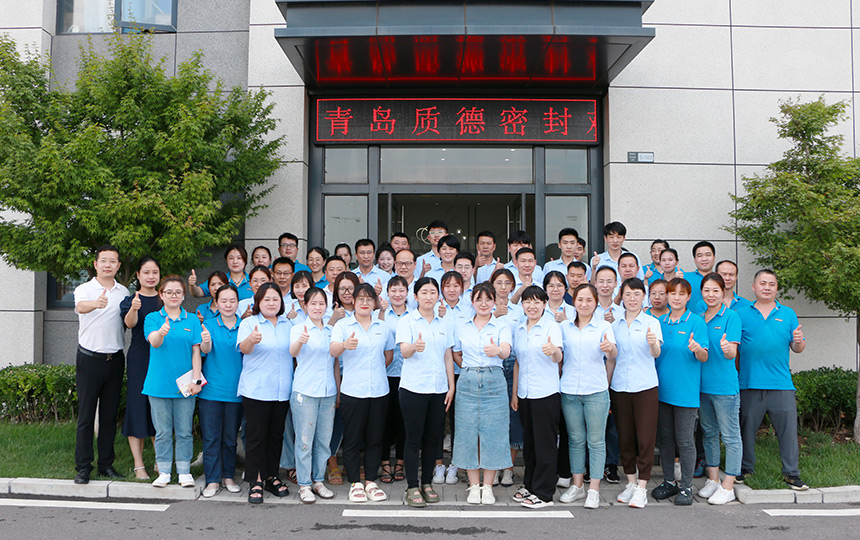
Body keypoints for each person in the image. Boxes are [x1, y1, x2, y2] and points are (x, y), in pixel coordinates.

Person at [737, 269, 808, 490]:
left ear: (777, 288)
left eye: (772, 284)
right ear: (754, 287)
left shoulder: (787, 314)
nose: (767, 287)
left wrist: (798, 341)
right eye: (763, 283)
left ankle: (791, 473)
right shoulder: (741, 313)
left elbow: (798, 348)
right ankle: (745, 468)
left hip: (781, 384)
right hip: (749, 383)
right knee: (746, 431)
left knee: (788, 433)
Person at [330, 284, 394, 502]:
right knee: (353, 439)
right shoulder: (343, 325)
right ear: (354, 301)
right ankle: (355, 483)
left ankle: (370, 482)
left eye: (369, 299)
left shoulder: (382, 327)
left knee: (375, 439)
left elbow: (388, 356)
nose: (365, 303)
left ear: (375, 303)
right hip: (352, 390)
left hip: (378, 390)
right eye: (360, 299)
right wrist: (345, 345)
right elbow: (333, 351)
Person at [396, 277, 457, 507]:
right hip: (413, 389)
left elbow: (448, 356)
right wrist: (414, 346)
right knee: (413, 439)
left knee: (433, 439)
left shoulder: (443, 323)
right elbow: (404, 352)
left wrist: (451, 386)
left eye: (433, 292)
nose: (429, 296)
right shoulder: (408, 321)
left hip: (439, 390)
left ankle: (427, 483)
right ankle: (412, 487)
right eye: (424, 292)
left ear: (437, 296)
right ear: (416, 297)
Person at [452, 282, 513, 505]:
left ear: (495, 302)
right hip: (468, 380)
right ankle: (473, 485)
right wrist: (468, 368)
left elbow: (506, 350)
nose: (484, 304)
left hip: (494, 380)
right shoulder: (463, 326)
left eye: (488, 299)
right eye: (479, 299)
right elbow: (456, 353)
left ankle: (488, 486)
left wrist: (497, 351)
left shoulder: (501, 326)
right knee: (467, 432)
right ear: (472, 302)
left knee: (493, 433)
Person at [73, 245, 130, 484]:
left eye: (113, 261)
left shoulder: (124, 291)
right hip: (89, 359)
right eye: (103, 261)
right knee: (86, 416)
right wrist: (95, 304)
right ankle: (83, 466)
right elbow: (79, 307)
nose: (108, 265)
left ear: (118, 266)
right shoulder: (84, 289)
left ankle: (106, 465)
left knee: (108, 416)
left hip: (115, 359)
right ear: (96, 264)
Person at [558, 284, 616, 509]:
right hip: (570, 390)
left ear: (595, 303)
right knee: (575, 439)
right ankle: (578, 485)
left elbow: (613, 354)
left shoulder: (603, 326)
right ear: (574, 301)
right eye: (580, 299)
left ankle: (594, 489)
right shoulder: (564, 327)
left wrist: (609, 347)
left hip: (596, 390)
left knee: (596, 440)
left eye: (589, 300)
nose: (584, 304)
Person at [652, 278, 708, 506]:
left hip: (685, 392)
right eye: (671, 293)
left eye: (681, 294)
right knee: (665, 440)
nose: (676, 297)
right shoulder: (660, 322)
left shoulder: (696, 322)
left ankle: (686, 486)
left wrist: (697, 350)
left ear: (688, 297)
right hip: (662, 391)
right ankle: (669, 481)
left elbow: (704, 355)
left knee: (685, 440)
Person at [237, 282, 294, 503]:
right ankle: (256, 480)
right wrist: (251, 339)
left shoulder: (288, 325)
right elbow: (244, 348)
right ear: (258, 302)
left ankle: (271, 476)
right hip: (257, 390)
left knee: (275, 436)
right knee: (256, 437)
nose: (271, 303)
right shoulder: (250, 323)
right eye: (266, 299)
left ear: (281, 302)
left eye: (275, 299)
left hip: (282, 390)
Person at [143, 275, 203, 488]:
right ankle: (165, 471)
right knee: (163, 432)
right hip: (158, 384)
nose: (174, 296)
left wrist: (197, 380)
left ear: (183, 295)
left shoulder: (192, 320)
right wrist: (161, 332)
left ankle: (184, 471)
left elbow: (197, 351)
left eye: (178, 292)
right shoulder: (153, 318)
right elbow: (154, 342)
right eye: (169, 292)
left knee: (185, 430)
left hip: (185, 385)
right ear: (161, 295)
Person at [611, 277, 662, 508]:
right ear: (622, 296)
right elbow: (611, 357)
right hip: (620, 387)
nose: (632, 299)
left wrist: (653, 343)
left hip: (645, 388)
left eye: (637, 294)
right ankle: (630, 482)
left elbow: (656, 353)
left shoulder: (652, 323)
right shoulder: (614, 324)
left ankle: (642, 486)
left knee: (645, 438)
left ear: (645, 296)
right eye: (628, 294)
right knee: (625, 438)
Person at [511, 286, 563, 509]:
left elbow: (559, 358)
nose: (532, 306)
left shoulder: (552, 327)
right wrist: (514, 393)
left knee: (545, 444)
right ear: (522, 305)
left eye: (537, 302)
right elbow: (518, 362)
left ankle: (544, 493)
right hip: (525, 393)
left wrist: (553, 351)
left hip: (546, 393)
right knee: (530, 444)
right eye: (527, 302)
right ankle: (530, 485)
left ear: (544, 304)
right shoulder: (520, 329)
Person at [696, 273, 743, 505]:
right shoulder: (698, 316)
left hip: (725, 388)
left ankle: (728, 485)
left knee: (731, 436)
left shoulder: (731, 317)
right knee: (709, 433)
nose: (711, 295)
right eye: (707, 290)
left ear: (723, 291)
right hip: (702, 387)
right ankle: (713, 479)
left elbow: (732, 353)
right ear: (702, 292)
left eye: (715, 290)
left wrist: (726, 348)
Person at [290, 287, 338, 503]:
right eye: (313, 303)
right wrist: (301, 340)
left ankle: (319, 481)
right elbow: (293, 352)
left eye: (321, 304)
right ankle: (304, 484)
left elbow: (335, 361)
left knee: (323, 441)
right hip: (305, 392)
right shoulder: (298, 328)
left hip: (328, 392)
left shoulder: (331, 331)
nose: (318, 307)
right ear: (305, 306)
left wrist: (337, 391)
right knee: (304, 440)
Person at [197, 284, 243, 497]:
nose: (228, 305)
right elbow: (204, 351)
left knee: (230, 438)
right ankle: (212, 480)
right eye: (223, 301)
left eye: (232, 301)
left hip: (237, 392)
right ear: (216, 301)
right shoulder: (208, 325)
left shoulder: (245, 325)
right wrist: (206, 342)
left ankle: (228, 476)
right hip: (212, 392)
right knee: (211, 437)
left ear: (237, 302)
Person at [120, 257, 161, 479]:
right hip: (139, 357)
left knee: (159, 408)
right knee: (137, 407)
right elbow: (130, 324)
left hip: (162, 358)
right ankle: (139, 465)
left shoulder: (164, 299)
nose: (151, 276)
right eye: (146, 272)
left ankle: (159, 461)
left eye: (155, 272)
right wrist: (134, 309)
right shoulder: (130, 300)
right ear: (138, 275)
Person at [490, 268, 524, 487]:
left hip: (513, 365)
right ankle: (492, 466)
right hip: (492, 365)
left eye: (507, 283)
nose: (503, 287)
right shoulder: (483, 307)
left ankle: (509, 469)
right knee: (493, 419)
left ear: (513, 287)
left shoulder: (520, 311)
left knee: (513, 417)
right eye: (498, 282)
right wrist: (494, 317)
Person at [380, 276, 411, 484]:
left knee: (404, 423)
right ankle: (384, 464)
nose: (397, 294)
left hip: (409, 376)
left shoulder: (414, 316)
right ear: (387, 292)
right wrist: (381, 312)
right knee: (384, 422)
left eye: (401, 290)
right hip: (385, 375)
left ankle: (400, 462)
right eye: (393, 290)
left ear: (407, 293)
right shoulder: (379, 314)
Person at [189, 244, 253, 300]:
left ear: (245, 260)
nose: (235, 262)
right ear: (226, 260)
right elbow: (198, 292)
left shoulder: (252, 280)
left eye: (239, 258)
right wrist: (192, 285)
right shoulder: (220, 278)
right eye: (231, 258)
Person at [686, 241, 716, 309]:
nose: (704, 259)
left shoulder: (720, 279)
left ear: (714, 258)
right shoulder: (685, 278)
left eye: (708, 255)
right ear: (694, 259)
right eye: (700, 256)